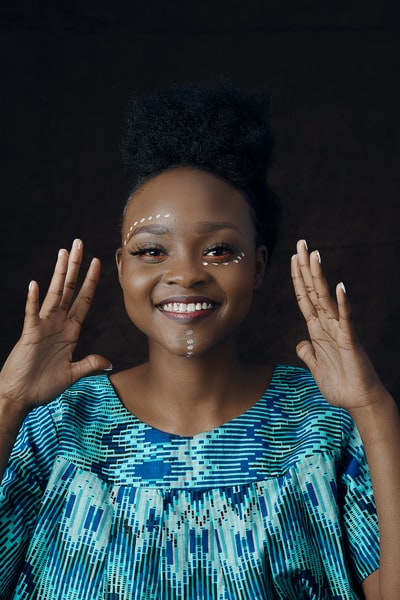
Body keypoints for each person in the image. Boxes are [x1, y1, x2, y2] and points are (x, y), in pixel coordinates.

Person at [0, 82, 399, 600]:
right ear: (122, 270)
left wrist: (375, 409)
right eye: (151, 251)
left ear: (257, 266)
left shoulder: (322, 426)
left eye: (218, 249)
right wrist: (7, 402)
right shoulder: (57, 428)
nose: (185, 273)